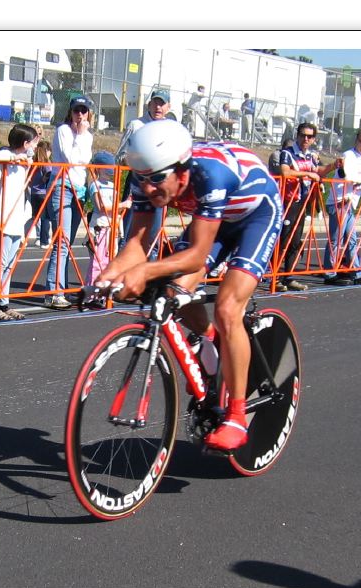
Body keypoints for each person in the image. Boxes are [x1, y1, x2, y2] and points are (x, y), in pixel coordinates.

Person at [96, 119, 283, 452]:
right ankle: (212, 344)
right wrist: (106, 277)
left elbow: (196, 256)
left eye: (156, 179)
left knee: (227, 309)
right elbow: (137, 244)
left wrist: (144, 272)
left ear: (182, 173)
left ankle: (237, 417)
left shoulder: (210, 175)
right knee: (172, 291)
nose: (148, 189)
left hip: (256, 217)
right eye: (141, 179)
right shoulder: (148, 177)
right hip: (215, 220)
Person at [0, 124, 40, 321]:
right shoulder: (5, 157)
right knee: (1, 261)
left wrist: (26, 159)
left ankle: (3, 302)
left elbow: (31, 160)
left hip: (17, 217)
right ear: (24, 143)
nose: (34, 147)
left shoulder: (25, 160)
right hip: (4, 217)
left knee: (9, 264)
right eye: (33, 143)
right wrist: (12, 158)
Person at [44, 95, 94, 309]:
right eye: (76, 110)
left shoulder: (88, 136)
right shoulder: (63, 131)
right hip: (62, 186)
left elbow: (85, 160)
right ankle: (53, 292)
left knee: (68, 242)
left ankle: (61, 289)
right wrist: (79, 135)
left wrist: (82, 136)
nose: (80, 115)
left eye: (84, 111)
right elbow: (70, 158)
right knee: (61, 241)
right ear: (70, 112)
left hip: (78, 190)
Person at [277, 122, 339, 291]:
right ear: (297, 136)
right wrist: (307, 174)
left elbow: (318, 171)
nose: (306, 139)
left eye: (309, 136)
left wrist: (333, 165)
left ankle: (288, 277)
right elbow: (285, 172)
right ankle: (274, 276)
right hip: (288, 201)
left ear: (313, 139)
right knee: (283, 240)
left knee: (295, 241)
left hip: (302, 202)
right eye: (303, 135)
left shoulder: (310, 156)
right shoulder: (288, 153)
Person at [115, 88, 172, 252]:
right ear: (149, 104)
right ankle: (123, 267)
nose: (158, 107)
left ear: (168, 107)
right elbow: (119, 157)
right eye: (155, 102)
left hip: (160, 185)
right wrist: (139, 159)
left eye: (162, 103)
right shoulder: (136, 125)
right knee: (128, 236)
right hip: (137, 183)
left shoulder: (170, 129)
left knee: (153, 240)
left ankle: (148, 268)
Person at [322, 129, 361, 286]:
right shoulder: (348, 155)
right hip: (339, 202)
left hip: (350, 203)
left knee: (352, 239)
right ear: (356, 140)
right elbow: (349, 176)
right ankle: (330, 274)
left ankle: (357, 273)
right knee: (336, 240)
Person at [84, 151, 129, 290]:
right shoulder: (95, 185)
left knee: (109, 262)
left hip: (112, 227)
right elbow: (101, 207)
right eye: (107, 167)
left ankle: (103, 291)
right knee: (97, 263)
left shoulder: (112, 185)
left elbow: (116, 208)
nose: (111, 170)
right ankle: (92, 291)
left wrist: (123, 206)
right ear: (99, 168)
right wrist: (122, 205)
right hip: (100, 226)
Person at [28, 139, 53, 248]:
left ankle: (37, 237)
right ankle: (44, 241)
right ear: (47, 151)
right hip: (43, 193)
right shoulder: (46, 164)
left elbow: (29, 179)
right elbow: (48, 176)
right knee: (45, 218)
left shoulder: (34, 163)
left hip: (34, 193)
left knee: (36, 217)